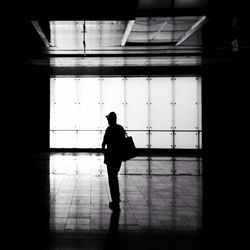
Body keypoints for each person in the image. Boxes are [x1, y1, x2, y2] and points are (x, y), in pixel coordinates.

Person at [102, 112, 125, 211]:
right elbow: (123, 142)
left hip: (110, 157)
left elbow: (104, 143)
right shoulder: (120, 128)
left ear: (111, 119)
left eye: (108, 119)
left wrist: (105, 152)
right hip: (118, 157)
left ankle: (115, 199)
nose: (107, 120)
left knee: (112, 179)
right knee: (114, 177)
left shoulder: (109, 129)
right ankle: (116, 199)